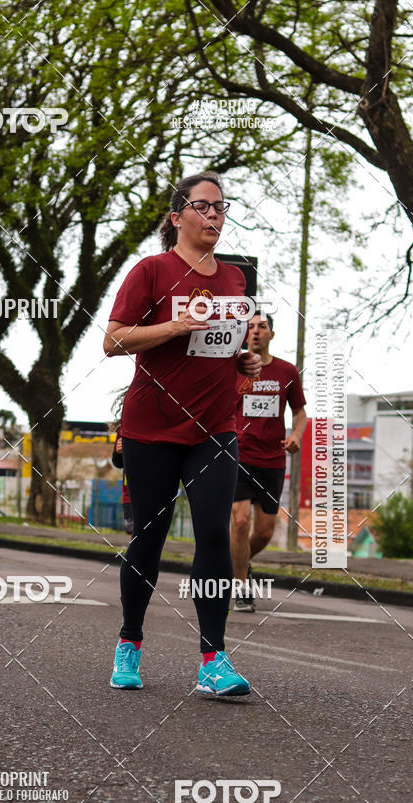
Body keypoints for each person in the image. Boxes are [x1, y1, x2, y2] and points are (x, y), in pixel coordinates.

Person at [103, 172, 261, 696]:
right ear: (177, 218)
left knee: (215, 533)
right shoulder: (151, 271)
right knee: (149, 537)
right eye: (203, 205)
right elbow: (114, 341)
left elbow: (229, 348)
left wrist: (248, 361)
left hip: (215, 427)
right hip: (153, 426)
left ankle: (213, 660)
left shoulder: (236, 280)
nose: (215, 214)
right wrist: (174, 327)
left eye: (221, 206)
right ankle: (130, 642)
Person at [230, 313, 307, 612]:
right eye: (250, 327)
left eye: (262, 326)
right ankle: (240, 586)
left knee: (263, 532)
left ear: (271, 335)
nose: (256, 331)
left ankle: (240, 563)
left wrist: (296, 435)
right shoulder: (232, 369)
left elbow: (300, 412)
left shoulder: (286, 371)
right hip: (238, 454)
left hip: (272, 458)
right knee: (239, 521)